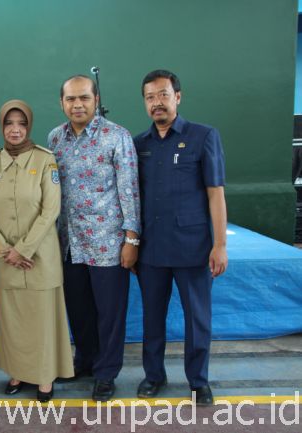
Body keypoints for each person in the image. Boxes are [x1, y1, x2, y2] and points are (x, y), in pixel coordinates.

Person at [133, 69, 227, 406]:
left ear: (178, 96)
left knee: (197, 319)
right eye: (150, 97)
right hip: (151, 250)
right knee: (152, 318)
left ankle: (199, 381)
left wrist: (220, 245)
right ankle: (153, 376)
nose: (157, 102)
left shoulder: (204, 136)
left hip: (193, 248)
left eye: (163, 94)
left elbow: (215, 193)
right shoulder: (138, 145)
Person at [47, 75, 141, 402]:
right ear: (62, 102)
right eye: (71, 99)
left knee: (109, 314)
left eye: (84, 98)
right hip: (69, 245)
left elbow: (129, 190)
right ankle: (85, 360)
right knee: (79, 310)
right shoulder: (55, 139)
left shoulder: (117, 136)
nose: (78, 104)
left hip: (108, 245)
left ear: (96, 99)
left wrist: (132, 240)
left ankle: (106, 372)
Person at [0, 99, 73, 403]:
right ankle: (16, 373)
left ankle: (44, 377)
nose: (15, 129)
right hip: (5, 259)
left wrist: (23, 249)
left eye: (21, 123)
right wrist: (5, 249)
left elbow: (51, 209)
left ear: (29, 126)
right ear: (1, 126)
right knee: (13, 321)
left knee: (41, 320)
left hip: (40, 258)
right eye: (9, 123)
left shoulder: (45, 160)